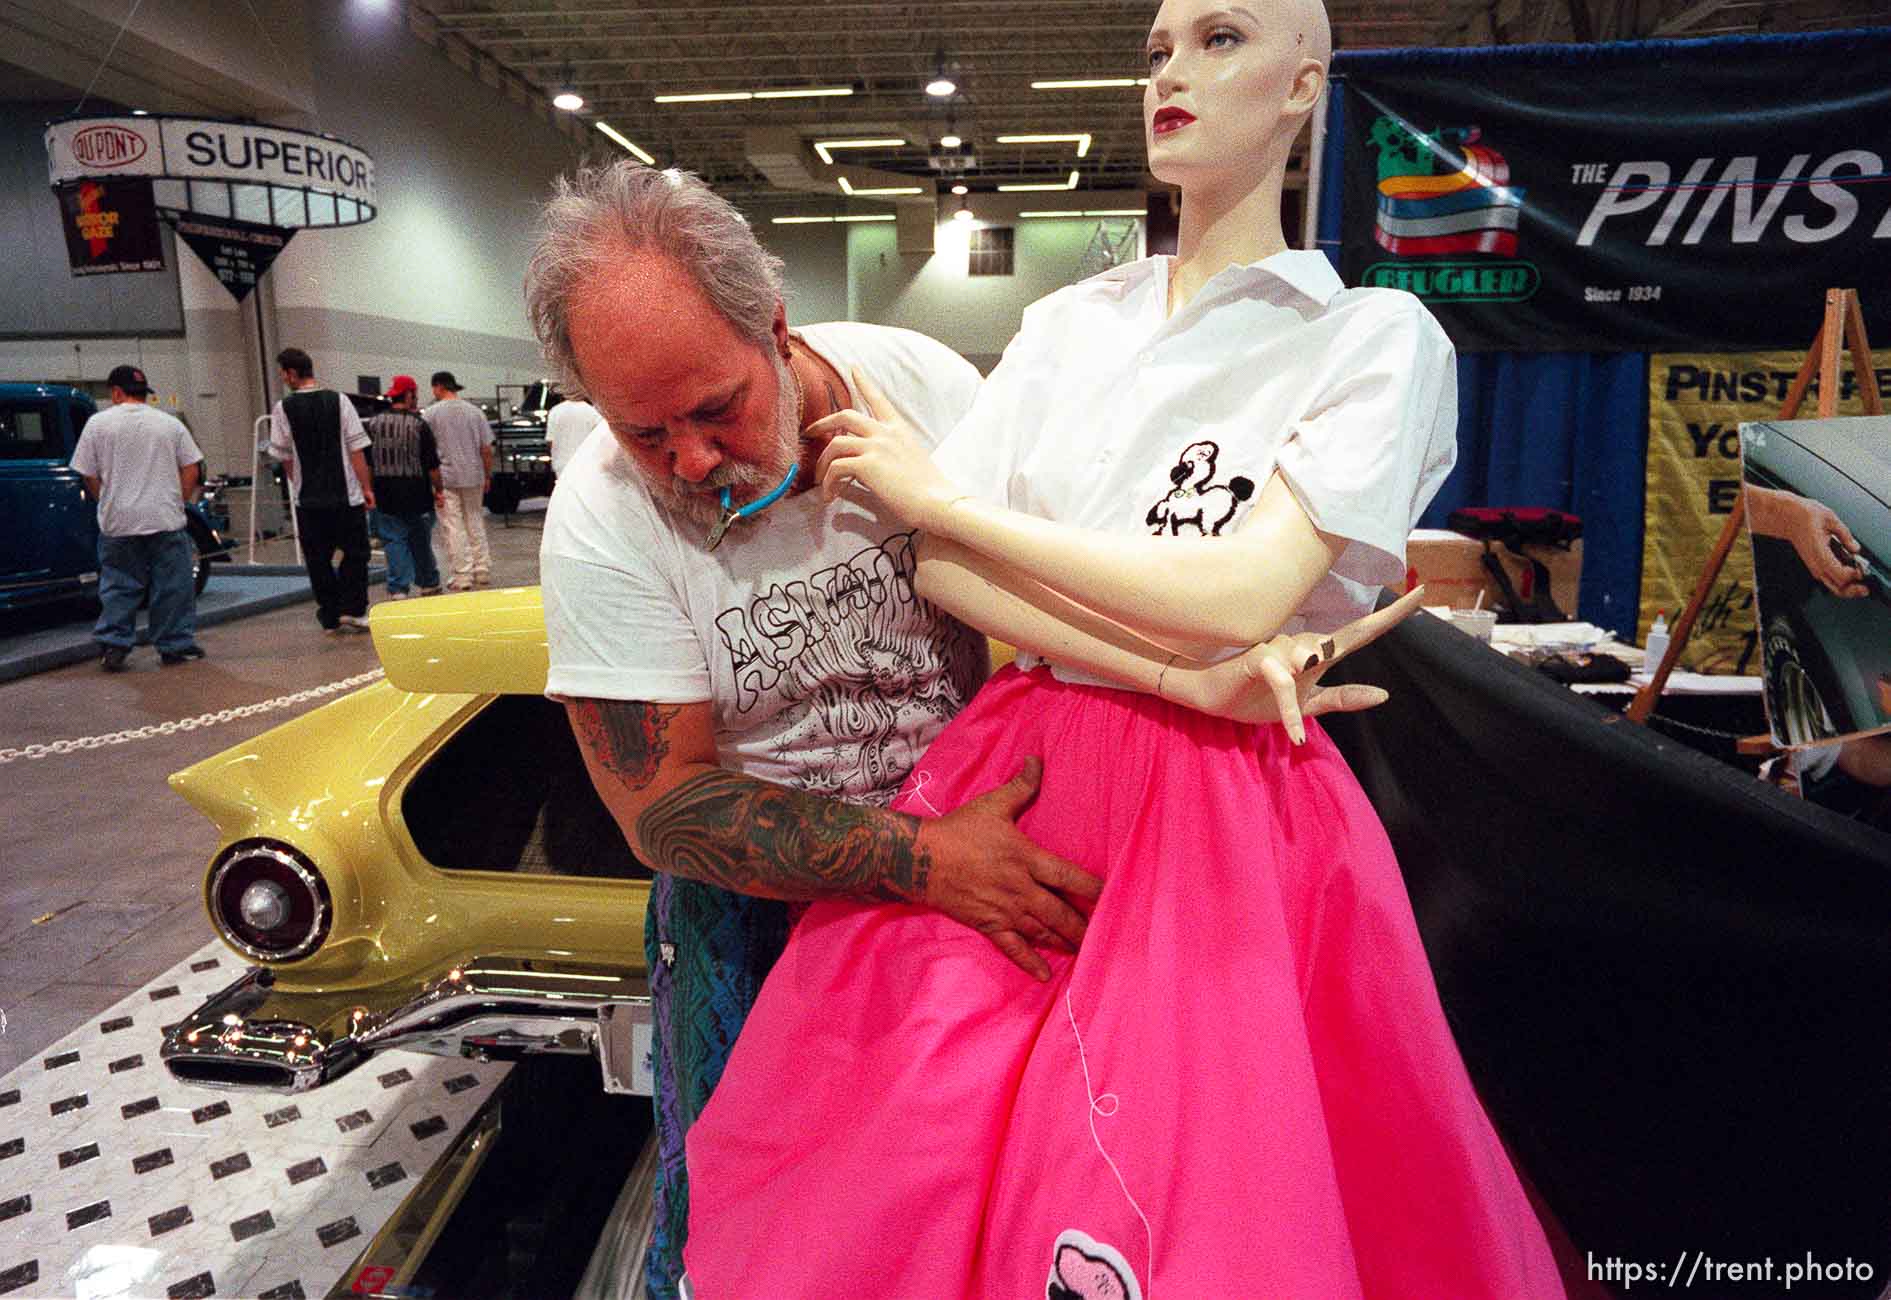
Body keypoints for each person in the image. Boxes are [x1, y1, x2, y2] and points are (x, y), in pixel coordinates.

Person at [680, 0, 1565, 1294]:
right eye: (1156, 48)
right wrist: (1153, 664)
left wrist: (948, 501)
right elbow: (952, 574)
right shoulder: (1064, 328)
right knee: (906, 1151)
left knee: (1173, 1197)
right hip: (1021, 769)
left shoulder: (1371, 338)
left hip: (1222, 812)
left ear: (1303, 82)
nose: (1171, 73)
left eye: (1219, 40)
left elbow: (1235, 590)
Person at [70, 364, 206, 670]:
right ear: (144, 394)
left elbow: (87, 473)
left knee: (119, 585)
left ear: (115, 392)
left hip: (119, 522)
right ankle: (174, 645)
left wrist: (105, 498)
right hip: (164, 518)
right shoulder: (169, 423)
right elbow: (191, 468)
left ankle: (114, 647)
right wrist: (177, 501)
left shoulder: (97, 424)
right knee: (172, 585)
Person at [268, 347, 375, 634]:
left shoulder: (283, 408)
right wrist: (366, 487)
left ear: (291, 373)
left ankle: (329, 613)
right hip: (347, 495)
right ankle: (353, 609)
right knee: (356, 553)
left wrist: (297, 483)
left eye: (283, 373)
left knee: (318, 559)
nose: (283, 379)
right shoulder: (339, 401)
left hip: (309, 500)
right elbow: (356, 450)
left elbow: (283, 455)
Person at [364, 375, 444, 600]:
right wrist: (439, 490)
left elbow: (368, 463)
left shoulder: (374, 424)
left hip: (385, 492)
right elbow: (432, 466)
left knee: (394, 540)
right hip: (416, 493)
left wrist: (368, 490)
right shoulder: (419, 425)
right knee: (420, 539)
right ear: (409, 395)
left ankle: (398, 588)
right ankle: (428, 582)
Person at [423, 370, 494, 589]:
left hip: (446, 477)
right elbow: (486, 448)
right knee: (474, 520)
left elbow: (426, 450)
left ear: (438, 387)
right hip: (474, 475)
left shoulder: (430, 414)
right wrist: (487, 474)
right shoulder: (475, 413)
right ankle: (481, 568)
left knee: (453, 525)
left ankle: (463, 575)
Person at [546, 391, 602, 477]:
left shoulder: (555, 411)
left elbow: (550, 442)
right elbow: (598, 442)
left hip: (561, 464)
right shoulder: (593, 412)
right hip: (584, 465)